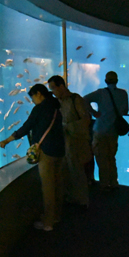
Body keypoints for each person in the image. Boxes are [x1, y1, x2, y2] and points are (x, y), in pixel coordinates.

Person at [0, 84, 65, 231]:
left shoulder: (40, 109)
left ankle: (48, 222)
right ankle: (56, 215)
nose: (32, 101)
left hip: (46, 152)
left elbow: (26, 127)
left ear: (39, 94)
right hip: (60, 150)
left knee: (48, 187)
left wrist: (7, 140)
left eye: (32, 97)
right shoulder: (57, 106)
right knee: (58, 184)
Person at [47, 75, 92, 208]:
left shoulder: (75, 99)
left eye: (53, 88)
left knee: (77, 171)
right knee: (66, 171)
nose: (52, 92)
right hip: (64, 143)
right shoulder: (56, 103)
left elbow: (86, 119)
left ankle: (83, 201)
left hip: (76, 141)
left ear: (61, 86)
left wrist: (68, 127)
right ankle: (71, 198)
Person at [83, 71, 129, 190]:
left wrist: (93, 112)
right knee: (111, 158)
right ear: (117, 81)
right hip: (114, 131)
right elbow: (125, 111)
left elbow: (84, 99)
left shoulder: (101, 93)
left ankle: (104, 184)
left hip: (100, 130)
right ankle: (114, 183)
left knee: (101, 158)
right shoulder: (123, 93)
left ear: (105, 81)